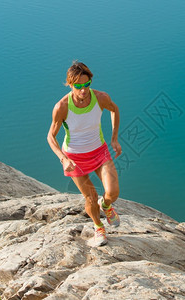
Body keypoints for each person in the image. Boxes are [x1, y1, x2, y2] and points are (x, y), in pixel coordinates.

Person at [47, 61, 122, 247]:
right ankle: (98, 228)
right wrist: (63, 159)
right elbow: (50, 136)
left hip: (99, 151)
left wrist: (114, 139)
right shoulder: (62, 107)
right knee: (90, 197)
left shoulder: (101, 97)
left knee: (112, 192)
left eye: (86, 84)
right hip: (75, 158)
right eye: (78, 86)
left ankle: (106, 206)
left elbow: (115, 110)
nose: (83, 90)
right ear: (70, 84)